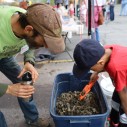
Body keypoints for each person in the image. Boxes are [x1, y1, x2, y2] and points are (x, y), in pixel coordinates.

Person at [0, 3, 65, 127]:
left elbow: (30, 42)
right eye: (44, 42)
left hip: (4, 55)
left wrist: (29, 61)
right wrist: (8, 89)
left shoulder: (28, 17)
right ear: (28, 29)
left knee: (25, 84)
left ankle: (33, 120)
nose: (46, 47)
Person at [73, 39, 127, 127]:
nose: (91, 71)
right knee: (115, 101)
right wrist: (96, 72)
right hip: (121, 79)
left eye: (91, 69)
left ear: (100, 63)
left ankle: (122, 123)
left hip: (124, 85)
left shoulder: (116, 68)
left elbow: (124, 98)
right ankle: (113, 120)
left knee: (124, 113)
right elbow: (102, 62)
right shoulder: (103, 51)